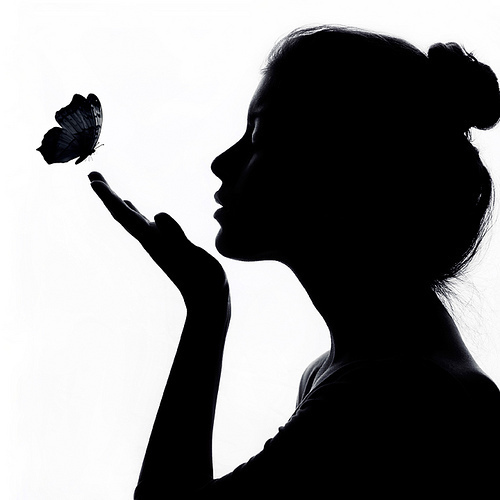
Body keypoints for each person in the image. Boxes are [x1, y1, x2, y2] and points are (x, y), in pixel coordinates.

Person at [88, 25, 500, 498]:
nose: (222, 163)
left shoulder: (390, 394)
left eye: (259, 137)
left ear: (343, 170)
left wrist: (206, 309)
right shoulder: (358, 372)